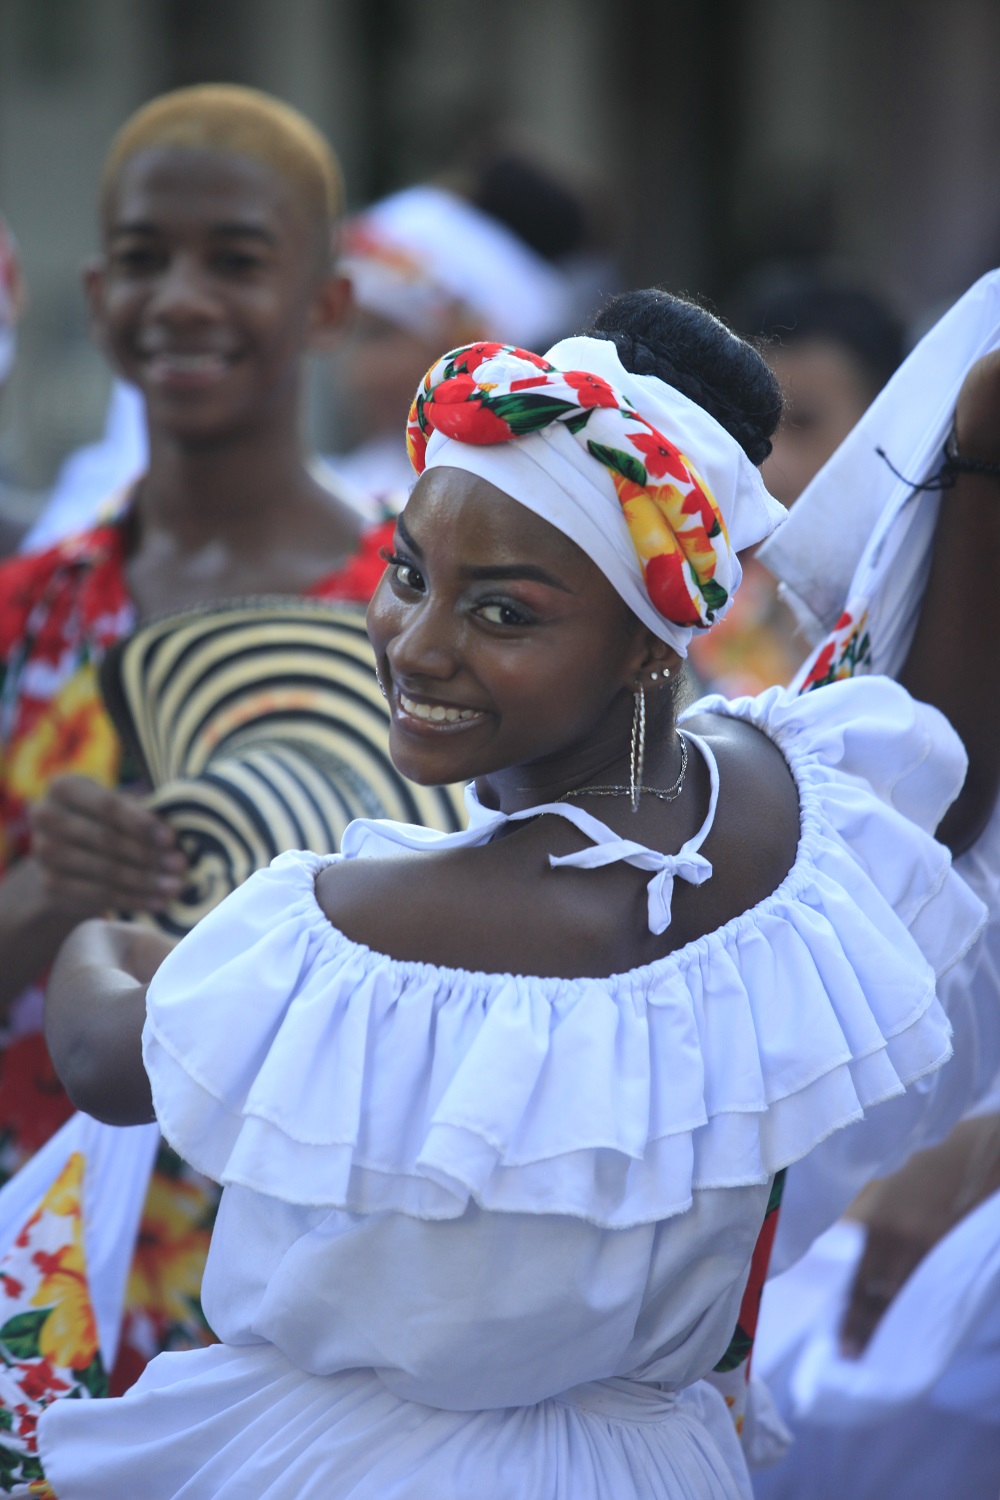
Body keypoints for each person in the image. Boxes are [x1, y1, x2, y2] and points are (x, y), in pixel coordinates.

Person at [30, 289, 1000, 1499]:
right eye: (407, 572)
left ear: (649, 640)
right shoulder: (790, 812)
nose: (417, 643)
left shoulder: (367, 926)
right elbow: (947, 774)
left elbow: (110, 1060)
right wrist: (977, 464)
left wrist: (102, 935)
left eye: (503, 612)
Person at [0, 83, 396, 1391]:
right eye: (141, 259)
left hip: (308, 1298)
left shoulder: (421, 623)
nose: (178, 299)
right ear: (95, 293)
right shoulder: (25, 617)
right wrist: (45, 896)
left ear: (326, 306)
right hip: (44, 1271)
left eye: (234, 260)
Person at [689, 276, 906, 696]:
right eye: (752, 430)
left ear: (888, 428)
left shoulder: (946, 624)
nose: (768, 468)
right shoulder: (689, 631)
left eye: (804, 422)